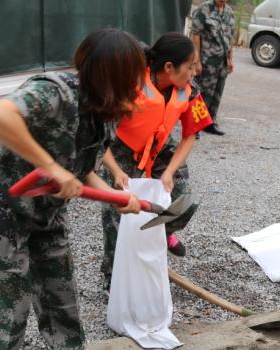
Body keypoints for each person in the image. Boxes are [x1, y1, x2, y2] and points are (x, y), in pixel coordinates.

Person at [0, 28, 147, 350]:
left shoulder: (105, 111)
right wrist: (50, 167)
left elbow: (83, 169)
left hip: (45, 211)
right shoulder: (56, 92)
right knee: (8, 311)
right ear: (113, 74)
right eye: (135, 75)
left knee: (61, 300)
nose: (140, 84)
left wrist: (116, 198)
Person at [100, 32, 213, 290]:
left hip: (159, 148)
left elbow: (190, 136)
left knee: (186, 200)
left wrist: (169, 172)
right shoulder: (131, 84)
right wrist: (116, 171)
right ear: (169, 67)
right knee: (117, 218)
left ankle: (162, 233)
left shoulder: (189, 90)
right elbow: (100, 136)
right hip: (122, 151)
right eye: (190, 65)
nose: (195, 71)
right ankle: (112, 279)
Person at [192, 0, 235, 136]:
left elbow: (230, 38)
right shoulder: (204, 9)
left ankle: (210, 122)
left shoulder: (229, 12)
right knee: (202, 94)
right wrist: (196, 61)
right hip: (207, 61)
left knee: (217, 93)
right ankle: (195, 126)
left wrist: (230, 59)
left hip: (222, 62)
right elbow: (196, 35)